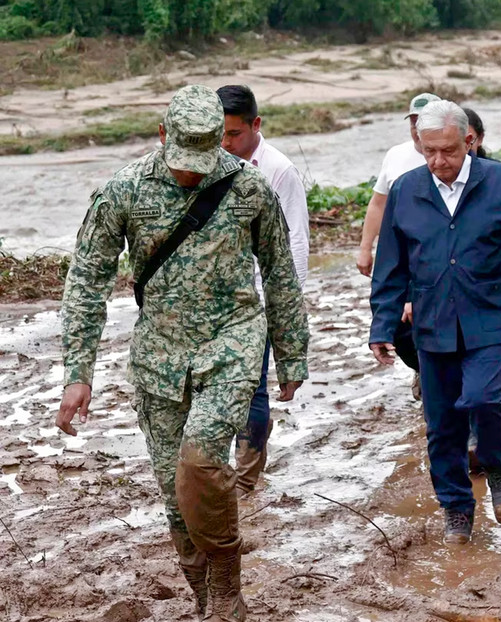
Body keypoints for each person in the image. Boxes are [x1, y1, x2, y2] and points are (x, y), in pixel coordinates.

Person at [55, 85, 309, 621]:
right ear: (163, 135)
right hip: (158, 358)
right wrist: (78, 372)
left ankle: (226, 590)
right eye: (182, 159)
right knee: (175, 494)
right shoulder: (123, 191)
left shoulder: (249, 189)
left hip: (232, 343)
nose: (192, 172)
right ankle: (204, 593)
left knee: (201, 463)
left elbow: (280, 274)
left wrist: (290, 354)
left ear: (221, 138)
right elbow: (85, 283)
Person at [369, 100, 501, 545]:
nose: (438, 161)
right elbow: (390, 265)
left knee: (484, 397)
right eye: (428, 151)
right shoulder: (408, 189)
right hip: (432, 322)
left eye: (447, 151)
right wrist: (382, 324)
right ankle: (456, 509)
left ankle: (498, 464)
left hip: (490, 314)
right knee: (442, 423)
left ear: (469, 141)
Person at [216, 84, 310, 497]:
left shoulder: (278, 171)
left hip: (256, 300)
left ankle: (246, 475)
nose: (225, 143)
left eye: (233, 134)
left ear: (256, 125)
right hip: (211, 300)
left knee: (251, 386)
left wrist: (285, 317)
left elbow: (297, 245)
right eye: (218, 134)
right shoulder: (206, 163)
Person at [356, 92, 440, 399]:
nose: (418, 128)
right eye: (414, 121)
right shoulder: (396, 156)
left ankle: (437, 379)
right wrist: (366, 247)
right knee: (396, 327)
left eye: (425, 120)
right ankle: (424, 368)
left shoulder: (451, 155)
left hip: (435, 257)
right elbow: (378, 204)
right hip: (399, 259)